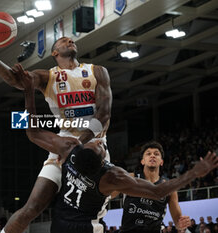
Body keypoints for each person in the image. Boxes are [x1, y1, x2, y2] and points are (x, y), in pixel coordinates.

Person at [20, 71, 218, 233]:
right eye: (100, 147)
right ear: (102, 163)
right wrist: (194, 173)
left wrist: (29, 91)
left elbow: (32, 132)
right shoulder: (113, 177)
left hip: (61, 223)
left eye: (156, 154)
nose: (100, 143)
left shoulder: (71, 150)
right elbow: (155, 191)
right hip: (88, 227)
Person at [0, 26, 112, 233]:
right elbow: (17, 80)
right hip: (62, 147)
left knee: (88, 214)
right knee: (32, 207)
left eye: (71, 40)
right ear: (54, 53)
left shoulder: (97, 71)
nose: (70, 40)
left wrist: (80, 145)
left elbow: (103, 114)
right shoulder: (48, 77)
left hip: (95, 147)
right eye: (64, 41)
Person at [118, 141, 191, 233]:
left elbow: (178, 223)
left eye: (156, 154)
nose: (152, 155)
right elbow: (108, 194)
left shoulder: (169, 188)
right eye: (148, 154)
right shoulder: (130, 178)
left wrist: (182, 224)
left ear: (161, 162)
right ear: (142, 161)